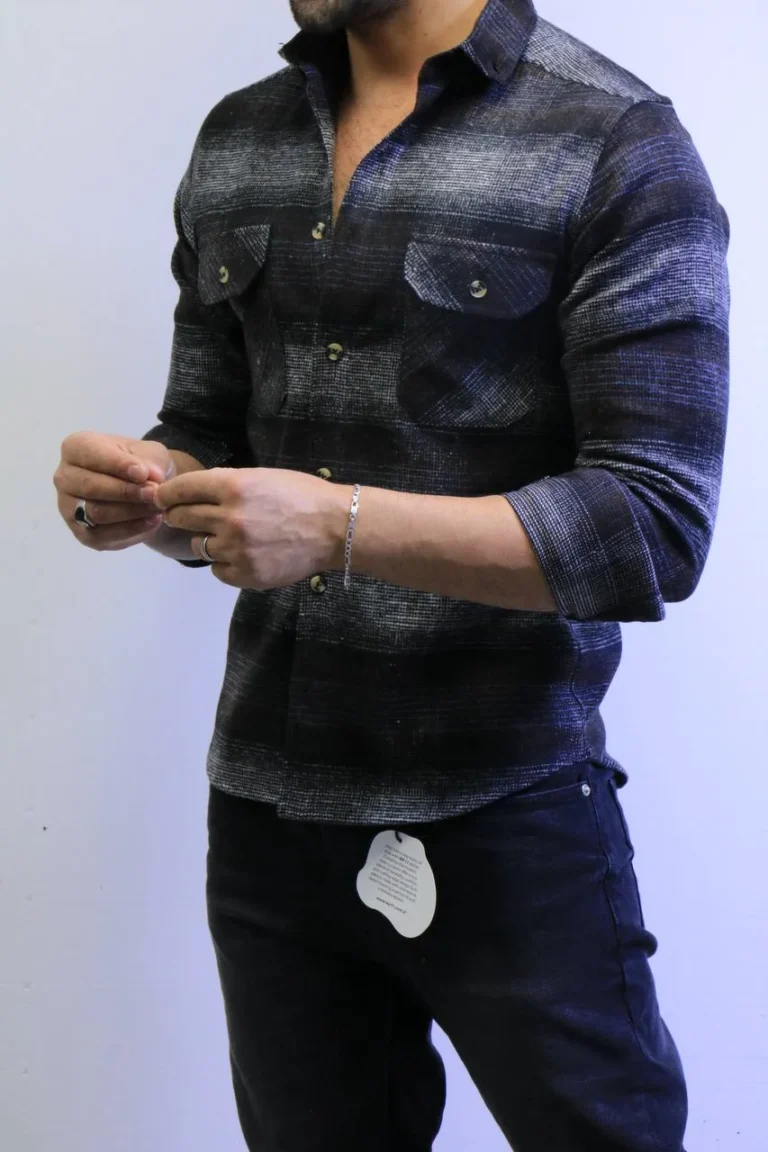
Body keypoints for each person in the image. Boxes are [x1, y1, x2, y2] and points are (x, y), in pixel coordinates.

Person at [53, 0, 730, 1148]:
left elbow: (654, 525)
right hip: (268, 814)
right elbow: (208, 431)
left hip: (507, 809)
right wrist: (146, 491)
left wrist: (340, 527)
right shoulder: (239, 138)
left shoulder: (616, 140)